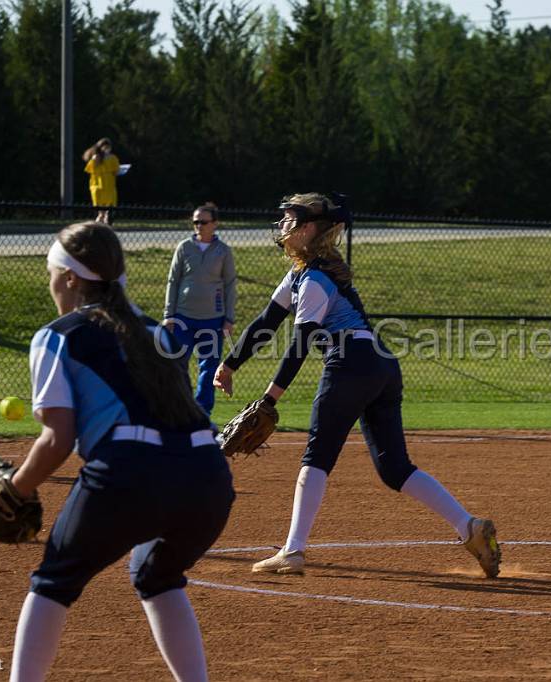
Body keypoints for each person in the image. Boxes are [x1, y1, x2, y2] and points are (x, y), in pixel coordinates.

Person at [213, 193, 501, 578]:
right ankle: (469, 527)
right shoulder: (303, 274)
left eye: (289, 219)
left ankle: (293, 550)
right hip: (381, 366)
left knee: (317, 455)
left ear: (310, 229)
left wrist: (270, 397)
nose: (281, 226)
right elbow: (266, 322)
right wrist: (230, 364)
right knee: (394, 468)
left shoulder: (314, 279)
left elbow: (300, 343)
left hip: (349, 363)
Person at [7, 222, 234, 682]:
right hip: (207, 477)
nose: (50, 281)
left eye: (51, 271)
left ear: (71, 277)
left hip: (128, 475)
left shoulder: (58, 335)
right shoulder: (159, 333)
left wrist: (15, 489)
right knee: (158, 577)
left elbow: (57, 439)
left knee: (53, 583)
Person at [162, 203, 237, 414]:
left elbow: (230, 284)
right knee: (177, 365)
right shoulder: (184, 247)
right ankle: (179, 409)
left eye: (203, 222)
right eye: (195, 222)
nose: (198, 226)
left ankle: (202, 413)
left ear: (214, 224)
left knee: (209, 367)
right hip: (183, 318)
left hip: (213, 319)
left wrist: (229, 318)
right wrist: (169, 315)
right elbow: (172, 281)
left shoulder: (223, 251)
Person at [82, 138, 120, 224]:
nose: (107, 149)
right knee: (100, 209)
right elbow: (89, 169)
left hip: (109, 185)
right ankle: (100, 221)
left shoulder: (113, 158)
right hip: (97, 185)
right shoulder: (96, 158)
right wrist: (94, 160)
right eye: (105, 147)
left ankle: (106, 220)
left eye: (108, 147)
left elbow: (116, 171)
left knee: (108, 206)